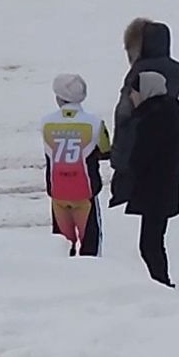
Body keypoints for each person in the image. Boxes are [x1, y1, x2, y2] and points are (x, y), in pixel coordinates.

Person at [123, 70, 179, 288]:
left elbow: (139, 158)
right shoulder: (169, 113)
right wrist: (171, 156)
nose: (131, 97)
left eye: (134, 92)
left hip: (153, 190)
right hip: (166, 188)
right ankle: (161, 283)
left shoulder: (151, 119)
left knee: (149, 245)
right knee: (153, 242)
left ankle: (162, 285)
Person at [109, 18, 179, 209]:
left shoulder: (139, 73)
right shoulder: (176, 70)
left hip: (137, 149)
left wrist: (118, 158)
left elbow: (124, 114)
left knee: (132, 205)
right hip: (166, 150)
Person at [43, 73, 111, 257]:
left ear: (58, 97)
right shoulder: (95, 123)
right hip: (85, 192)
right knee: (90, 246)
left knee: (62, 247)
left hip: (58, 192)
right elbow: (106, 150)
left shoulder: (46, 123)